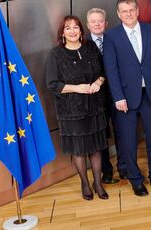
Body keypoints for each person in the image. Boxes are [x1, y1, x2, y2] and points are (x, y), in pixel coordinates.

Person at [103, 0, 151, 197]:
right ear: (118, 14)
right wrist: (118, 97)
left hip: (150, 94)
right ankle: (135, 179)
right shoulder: (111, 36)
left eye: (132, 10)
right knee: (128, 142)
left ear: (138, 10)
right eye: (124, 11)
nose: (129, 14)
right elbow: (111, 70)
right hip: (126, 97)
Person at [46, 15, 109, 201]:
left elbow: (104, 71)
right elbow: (52, 84)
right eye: (68, 28)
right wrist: (77, 88)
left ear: (81, 31)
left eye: (75, 27)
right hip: (71, 111)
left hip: (95, 106)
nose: (72, 31)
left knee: (96, 148)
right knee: (79, 149)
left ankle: (98, 183)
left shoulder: (91, 47)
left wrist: (98, 82)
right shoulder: (56, 54)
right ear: (62, 33)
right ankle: (85, 183)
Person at [85, 7, 125, 184]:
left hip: (117, 94)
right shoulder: (84, 45)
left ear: (106, 23)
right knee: (101, 135)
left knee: (121, 131)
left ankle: (124, 167)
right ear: (88, 25)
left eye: (100, 21)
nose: (97, 24)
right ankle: (106, 171)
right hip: (96, 98)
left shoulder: (115, 39)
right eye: (93, 21)